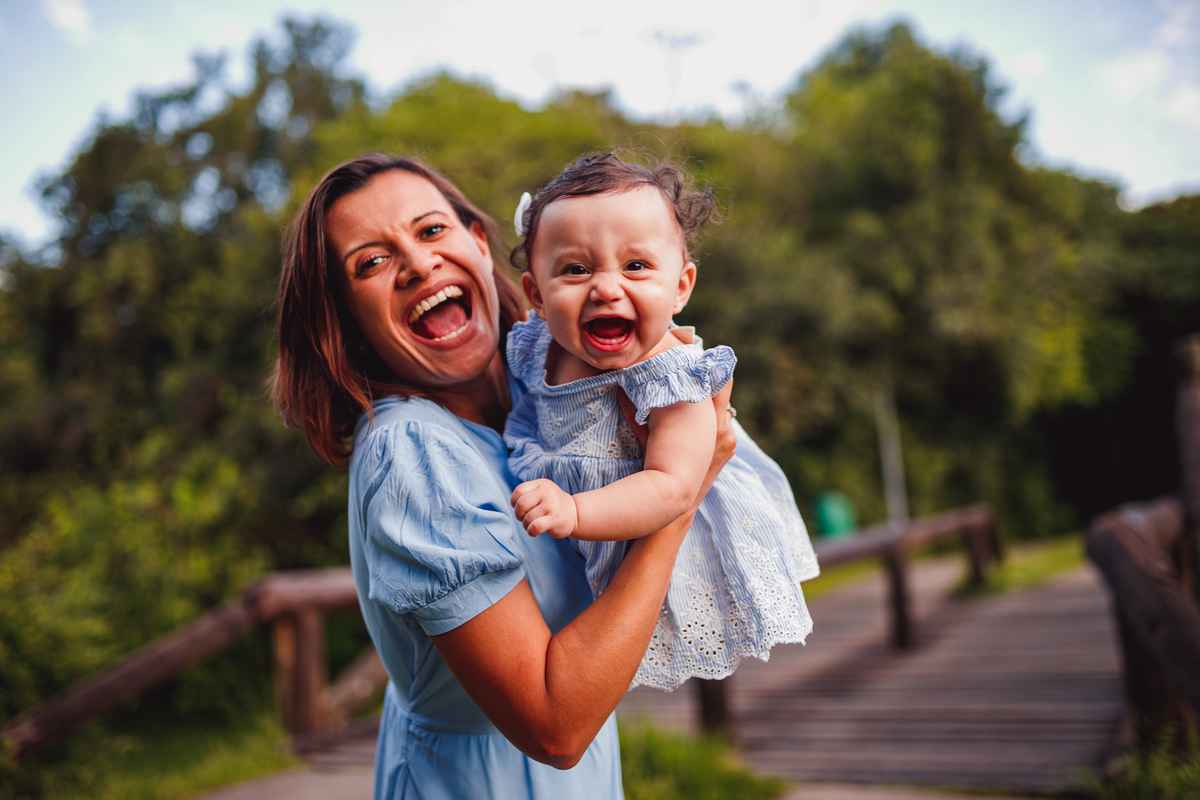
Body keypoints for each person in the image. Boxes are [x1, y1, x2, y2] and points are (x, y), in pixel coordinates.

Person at [271, 153, 736, 800]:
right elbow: (554, 725)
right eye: (371, 262)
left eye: (432, 230)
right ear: (344, 316)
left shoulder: (547, 387)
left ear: (477, 242)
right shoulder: (413, 452)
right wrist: (680, 496)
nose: (418, 264)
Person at [504, 153, 820, 691]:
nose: (606, 288)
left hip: (650, 527)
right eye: (576, 269)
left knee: (603, 661)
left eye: (635, 266)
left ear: (680, 287)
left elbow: (673, 488)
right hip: (564, 532)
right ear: (536, 294)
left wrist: (575, 510)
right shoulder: (540, 346)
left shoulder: (672, 375)